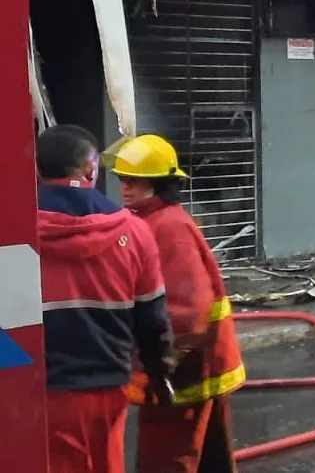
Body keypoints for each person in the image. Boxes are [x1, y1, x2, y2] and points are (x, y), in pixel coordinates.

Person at [35, 125, 174, 473]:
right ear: (90, 169)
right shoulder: (134, 230)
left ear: (36, 170)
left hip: (35, 392)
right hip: (109, 386)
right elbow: (152, 319)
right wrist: (158, 375)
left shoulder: (13, 232)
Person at [106, 134, 246, 473]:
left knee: (167, 457)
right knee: (210, 455)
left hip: (185, 367)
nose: (126, 188)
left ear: (158, 183)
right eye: (123, 180)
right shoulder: (153, 220)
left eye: (135, 181)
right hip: (199, 359)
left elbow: (188, 311)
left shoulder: (167, 226)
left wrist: (159, 363)